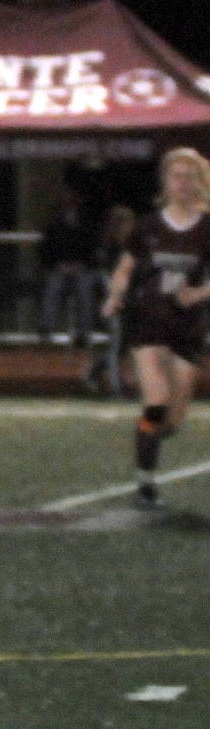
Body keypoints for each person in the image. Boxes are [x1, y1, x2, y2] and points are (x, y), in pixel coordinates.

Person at [102, 147, 210, 508]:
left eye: (189, 175)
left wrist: (200, 292)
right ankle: (145, 482)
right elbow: (124, 269)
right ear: (165, 181)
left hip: (188, 326)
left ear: (200, 181)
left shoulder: (207, 226)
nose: (183, 182)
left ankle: (151, 436)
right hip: (148, 320)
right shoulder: (148, 225)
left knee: (173, 420)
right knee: (156, 400)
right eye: (176, 175)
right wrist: (115, 295)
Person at [81, 203, 136, 397]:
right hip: (112, 300)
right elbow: (107, 279)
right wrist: (114, 298)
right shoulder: (109, 249)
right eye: (127, 223)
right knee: (116, 343)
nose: (131, 227)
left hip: (130, 300)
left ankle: (94, 370)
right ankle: (115, 387)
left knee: (125, 344)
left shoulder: (131, 247)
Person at [38, 189, 95, 348]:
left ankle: (83, 333)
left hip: (82, 268)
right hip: (58, 268)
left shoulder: (86, 221)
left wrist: (81, 264)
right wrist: (58, 265)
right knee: (53, 288)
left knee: (85, 290)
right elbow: (46, 248)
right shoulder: (53, 223)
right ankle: (46, 330)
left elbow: (91, 247)